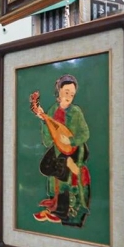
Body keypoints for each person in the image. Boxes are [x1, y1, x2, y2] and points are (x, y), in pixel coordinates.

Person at [31, 74, 91, 226]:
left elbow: (85, 133)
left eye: (71, 94)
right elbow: (48, 139)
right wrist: (44, 120)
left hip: (74, 150)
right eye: (66, 93)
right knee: (46, 166)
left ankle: (62, 211)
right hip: (59, 148)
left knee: (63, 170)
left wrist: (70, 140)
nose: (69, 97)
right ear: (59, 92)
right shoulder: (52, 110)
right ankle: (55, 204)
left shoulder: (76, 112)